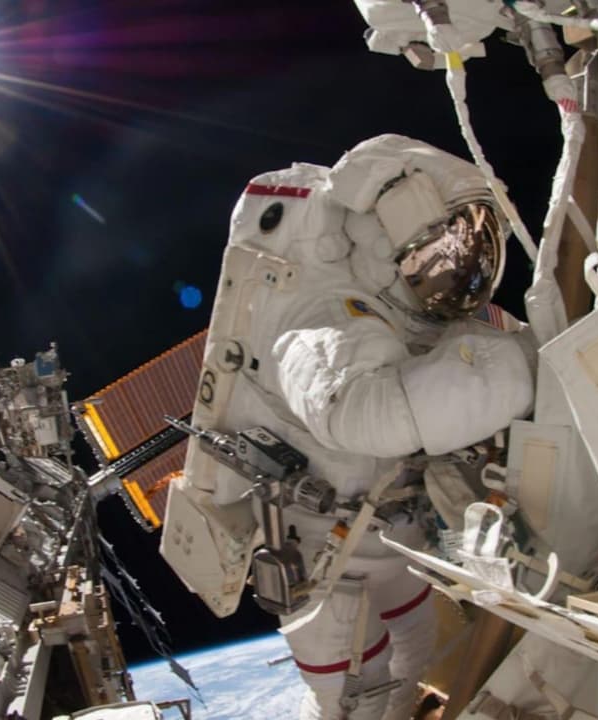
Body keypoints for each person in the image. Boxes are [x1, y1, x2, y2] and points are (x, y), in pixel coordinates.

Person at [163, 134, 535, 719]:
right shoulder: (321, 315)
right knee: (357, 698)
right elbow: (370, 415)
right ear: (386, 233)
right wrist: (528, 361)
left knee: (416, 654)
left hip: (385, 537)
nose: (457, 269)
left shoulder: (391, 315)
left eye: (474, 248)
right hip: (321, 560)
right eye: (441, 252)